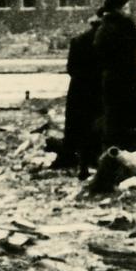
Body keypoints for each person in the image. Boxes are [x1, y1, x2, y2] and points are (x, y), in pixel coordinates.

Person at [93, 0, 136, 152]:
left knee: (113, 116)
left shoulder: (103, 28)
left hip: (110, 79)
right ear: (119, 8)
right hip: (127, 78)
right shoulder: (125, 26)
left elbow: (99, 53)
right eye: (126, 6)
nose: (129, 8)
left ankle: (112, 150)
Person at [59, 15, 103, 175]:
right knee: (96, 123)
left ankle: (80, 161)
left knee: (79, 124)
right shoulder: (104, 41)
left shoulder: (77, 40)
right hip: (98, 89)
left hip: (79, 88)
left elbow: (71, 67)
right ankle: (94, 159)